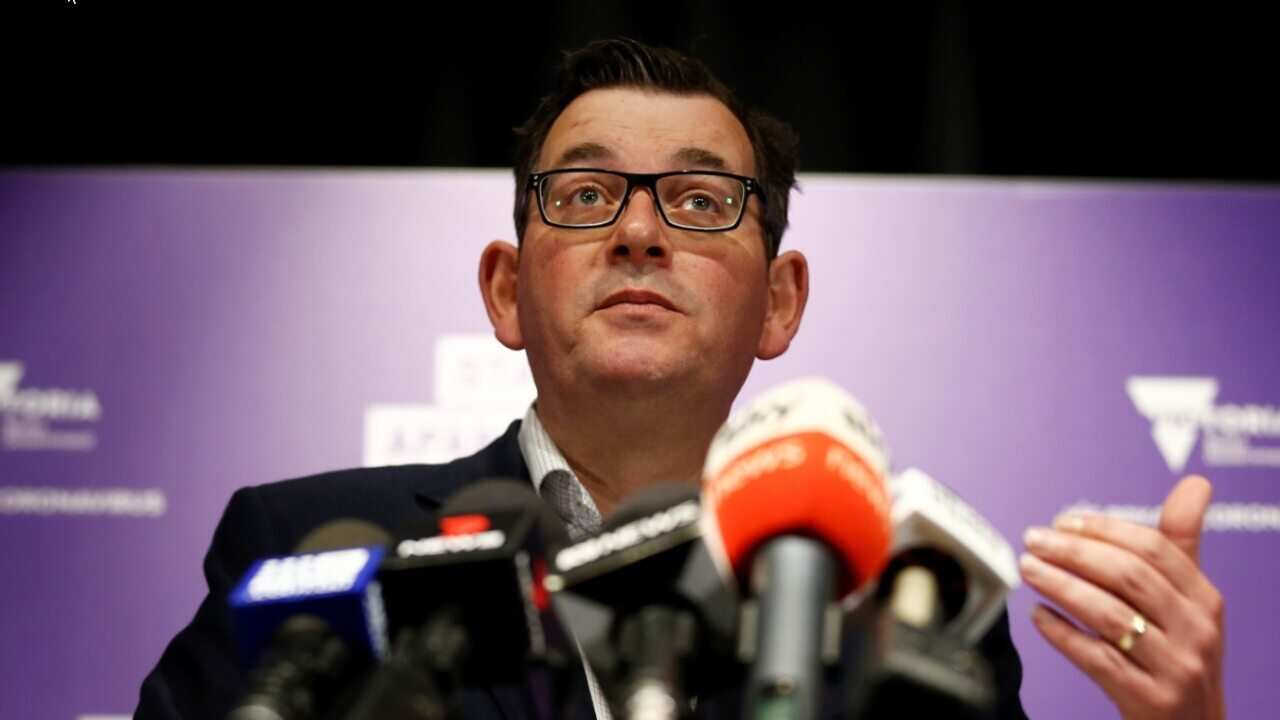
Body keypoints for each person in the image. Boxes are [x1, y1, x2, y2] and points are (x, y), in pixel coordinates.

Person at [136, 38, 1225, 719]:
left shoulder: (906, 603)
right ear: (507, 291)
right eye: (586, 195)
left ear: (780, 301)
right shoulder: (313, 548)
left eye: (701, 204)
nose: (641, 232)